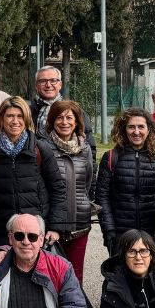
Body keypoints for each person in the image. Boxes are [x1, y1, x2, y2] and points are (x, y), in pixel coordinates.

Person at [0, 96, 65, 250]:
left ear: (26, 119)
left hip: (35, 231)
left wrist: (55, 227)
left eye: (20, 116)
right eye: (10, 116)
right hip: (1, 231)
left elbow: (58, 190)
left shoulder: (40, 149)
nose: (15, 121)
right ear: (1, 119)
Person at [97, 108, 155, 257]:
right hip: (120, 234)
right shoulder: (111, 158)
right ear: (123, 130)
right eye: (131, 127)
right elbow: (102, 197)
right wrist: (109, 231)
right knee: (119, 277)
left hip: (151, 233)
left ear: (149, 130)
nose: (136, 131)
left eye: (141, 127)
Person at [44, 99, 95, 284]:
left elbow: (87, 182)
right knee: (50, 275)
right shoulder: (43, 148)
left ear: (77, 122)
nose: (64, 122)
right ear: (51, 121)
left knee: (75, 275)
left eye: (69, 118)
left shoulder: (85, 148)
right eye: (59, 117)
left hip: (80, 223)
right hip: (51, 225)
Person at [30, 64, 94, 153]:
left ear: (60, 84)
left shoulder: (74, 111)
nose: (48, 85)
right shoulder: (27, 112)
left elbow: (89, 142)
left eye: (53, 80)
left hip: (69, 162)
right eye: (43, 81)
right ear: (36, 86)